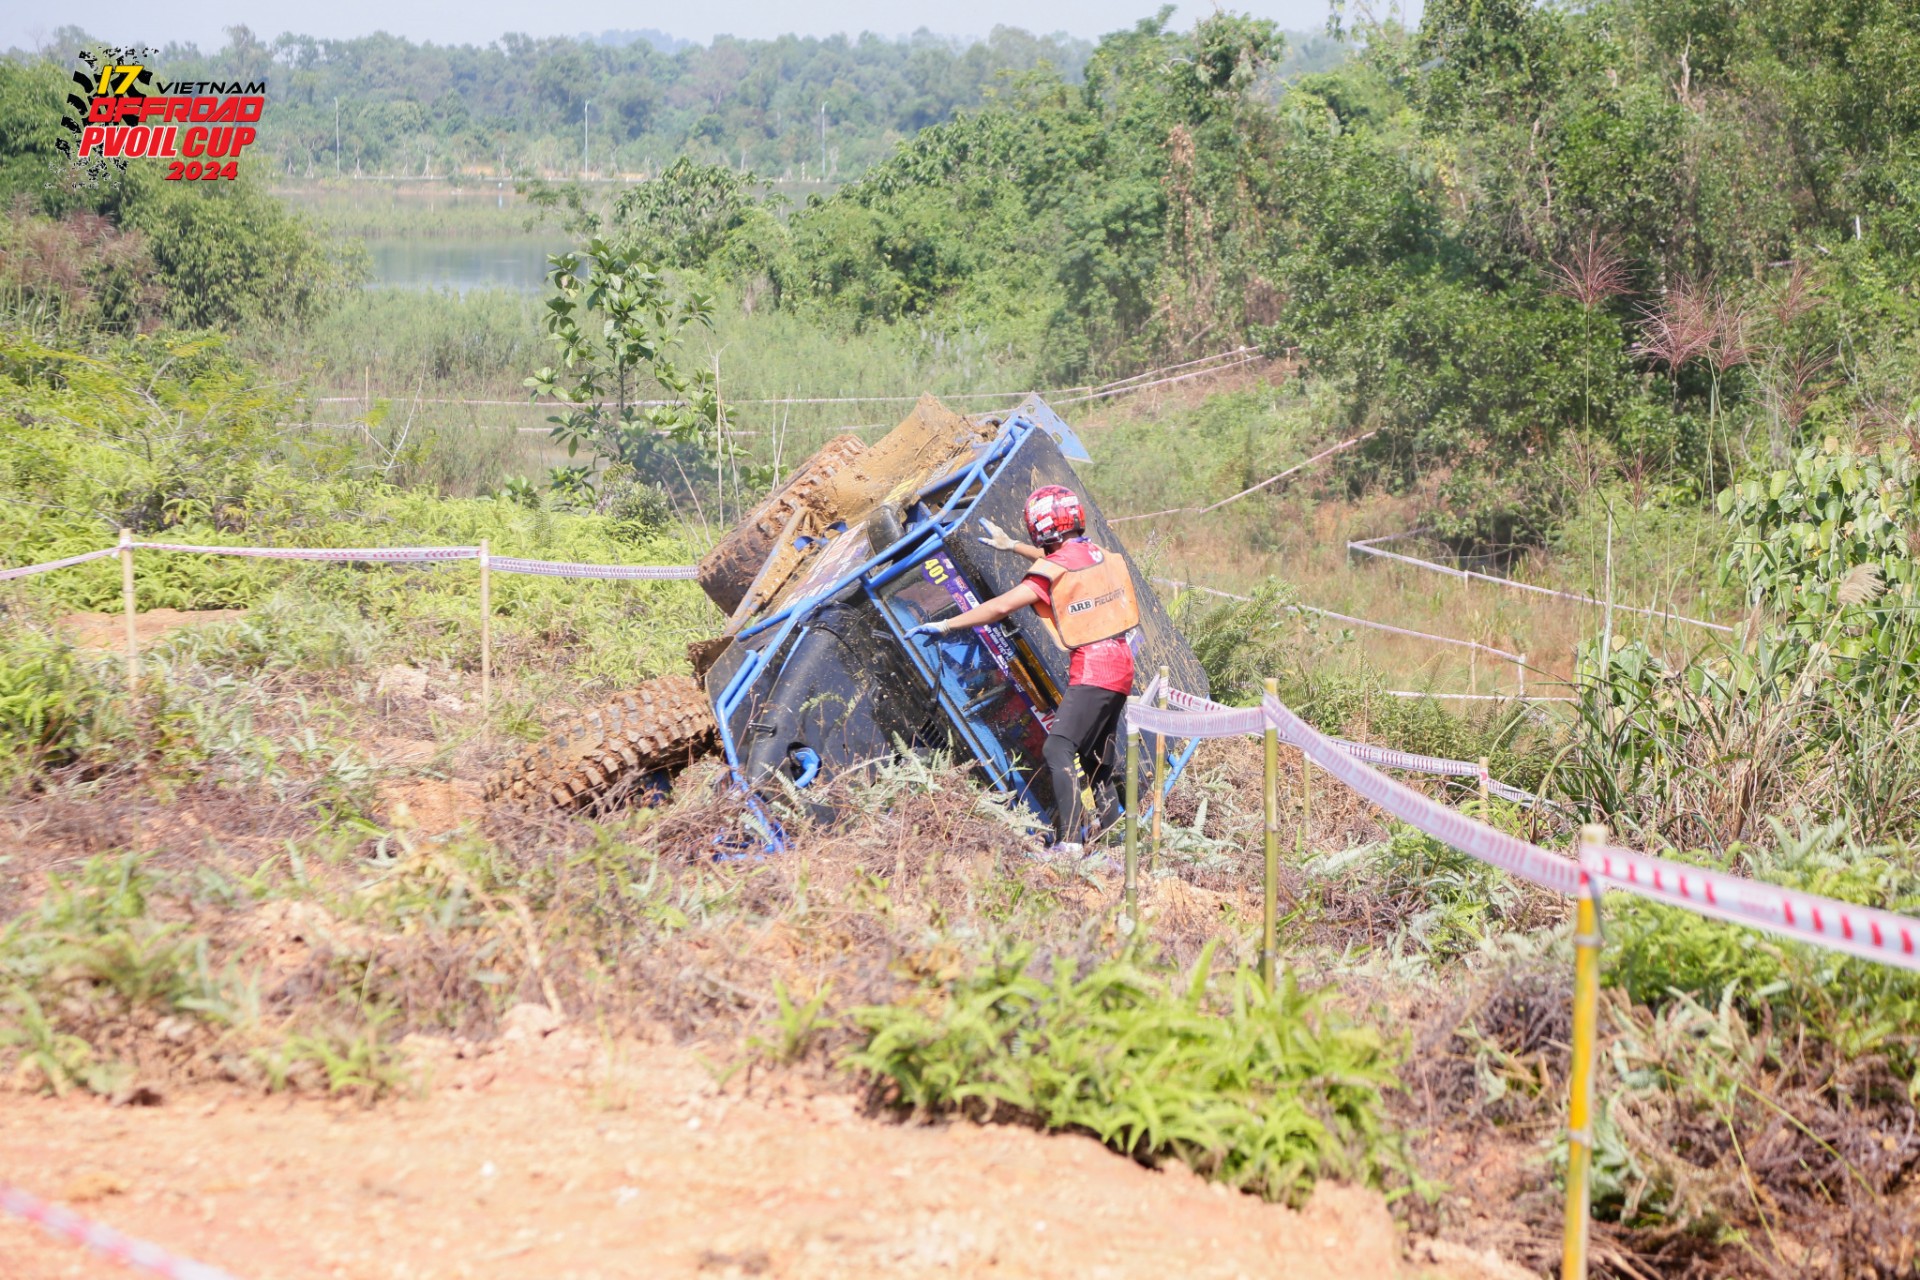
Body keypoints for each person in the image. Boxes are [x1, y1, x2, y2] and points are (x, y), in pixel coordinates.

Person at [909, 485, 1141, 856]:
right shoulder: (1094, 553)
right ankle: (1116, 838)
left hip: (1094, 668)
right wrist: (1012, 546)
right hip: (1121, 663)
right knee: (1096, 758)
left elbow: (1001, 606)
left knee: (1059, 748)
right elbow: (1061, 563)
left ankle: (1069, 844)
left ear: (1044, 528)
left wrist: (947, 626)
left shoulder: (1051, 573)